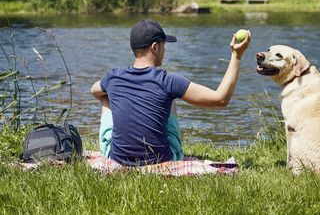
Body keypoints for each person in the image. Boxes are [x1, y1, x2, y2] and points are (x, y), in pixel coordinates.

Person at [90, 19, 250, 166]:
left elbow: (94, 90)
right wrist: (236, 56)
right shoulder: (167, 81)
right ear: (154, 47)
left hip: (117, 159)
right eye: (164, 45)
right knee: (170, 98)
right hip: (162, 161)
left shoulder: (113, 77)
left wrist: (120, 96)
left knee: (106, 96)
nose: (164, 50)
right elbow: (220, 99)